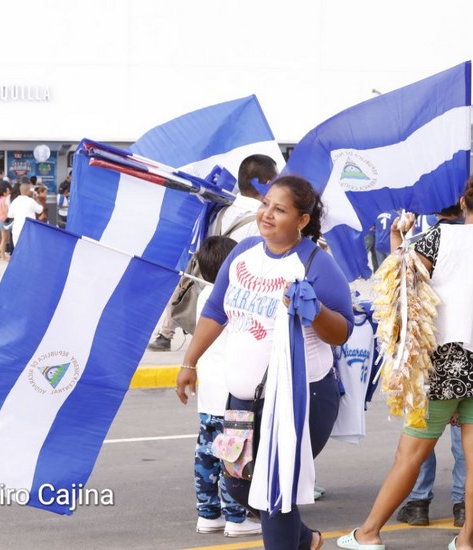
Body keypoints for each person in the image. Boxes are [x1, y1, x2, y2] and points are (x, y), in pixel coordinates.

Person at [338, 173, 473, 550]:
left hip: (441, 362)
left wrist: (399, 239)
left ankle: (369, 532)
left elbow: (405, 281)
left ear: (462, 204)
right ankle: (467, 540)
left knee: (411, 452)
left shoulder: (437, 237)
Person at [176, 175, 353, 550]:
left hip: (298, 398)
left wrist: (316, 310)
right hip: (241, 401)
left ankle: (295, 541)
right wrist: (189, 362)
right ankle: (306, 541)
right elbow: (214, 310)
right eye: (266, 204)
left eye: (280, 209)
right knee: (239, 485)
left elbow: (341, 332)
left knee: (273, 490)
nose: (267, 214)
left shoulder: (316, 264)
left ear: (302, 220)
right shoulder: (244, 253)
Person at [148, 154, 278, 352]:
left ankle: (166, 334)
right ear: (266, 183)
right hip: (238, 314)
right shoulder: (263, 223)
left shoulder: (217, 210)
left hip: (208, 301)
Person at [394, 201, 467, 529]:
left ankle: (419, 501)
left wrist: (399, 235)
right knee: (464, 434)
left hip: (426, 350)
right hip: (466, 351)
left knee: (420, 430)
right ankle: (463, 504)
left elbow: (397, 280)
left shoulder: (423, 242)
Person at [184, 235, 262, 538]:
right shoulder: (238, 297)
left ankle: (208, 513)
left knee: (206, 454)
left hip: (209, 395)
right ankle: (236, 517)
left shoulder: (206, 295)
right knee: (235, 458)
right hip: (233, 394)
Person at [8, 179, 43, 247]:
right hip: (28, 230)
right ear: (27, 191)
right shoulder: (30, 201)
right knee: (28, 249)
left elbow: (10, 215)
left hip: (16, 230)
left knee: (18, 251)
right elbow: (40, 210)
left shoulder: (15, 201)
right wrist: (37, 199)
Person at [0, 187, 11, 260]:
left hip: (0, 219)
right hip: (5, 220)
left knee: (4, 238)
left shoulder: (0, 199)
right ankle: (2, 255)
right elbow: (5, 210)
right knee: (5, 238)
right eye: (7, 191)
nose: (9, 192)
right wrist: (9, 215)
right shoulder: (5, 199)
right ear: (4, 193)